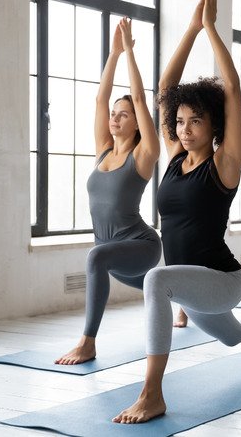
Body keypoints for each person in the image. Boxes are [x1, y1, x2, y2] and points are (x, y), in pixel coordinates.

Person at [113, 0, 241, 424]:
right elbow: (165, 89)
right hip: (193, 286)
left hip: (223, 280)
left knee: (155, 279)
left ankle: (152, 393)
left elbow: (233, 88)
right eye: (180, 121)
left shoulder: (224, 164)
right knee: (232, 337)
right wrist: (189, 30)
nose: (184, 129)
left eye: (196, 122)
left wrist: (211, 29)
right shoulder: (175, 157)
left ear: (215, 128)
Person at [56, 18, 161, 365]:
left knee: (96, 257)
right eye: (114, 114)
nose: (115, 118)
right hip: (114, 256)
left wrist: (131, 52)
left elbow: (143, 100)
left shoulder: (144, 156)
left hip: (141, 246)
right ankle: (181, 299)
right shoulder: (103, 149)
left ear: (136, 122)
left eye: (124, 114)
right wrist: (113, 54)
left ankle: (88, 342)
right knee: (157, 288)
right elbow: (100, 98)